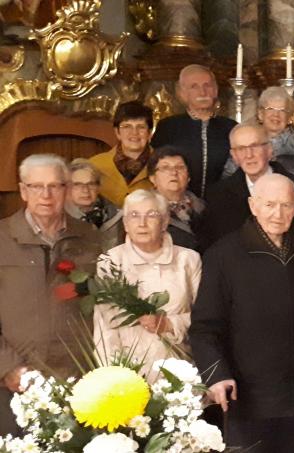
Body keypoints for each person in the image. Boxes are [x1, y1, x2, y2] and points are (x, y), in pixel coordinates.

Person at [191, 174, 294, 453]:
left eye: (286, 206)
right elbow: (204, 328)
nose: (278, 214)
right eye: (270, 205)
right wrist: (216, 375)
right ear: (253, 205)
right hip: (248, 396)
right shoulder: (223, 254)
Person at [0, 154, 101, 434]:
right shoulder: (2, 237)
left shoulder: (90, 237)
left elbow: (102, 303)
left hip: (77, 381)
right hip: (12, 382)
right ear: (22, 191)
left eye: (54, 186)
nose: (46, 195)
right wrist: (8, 367)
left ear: (66, 190)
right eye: (36, 186)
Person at [94, 190, 201, 382]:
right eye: (134, 215)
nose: (142, 223)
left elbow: (205, 318)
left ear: (165, 221)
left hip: (180, 373)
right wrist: (111, 378)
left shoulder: (188, 259)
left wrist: (169, 323)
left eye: (151, 215)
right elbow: (105, 327)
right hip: (129, 376)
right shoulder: (111, 261)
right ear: (125, 223)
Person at [200, 123, 294, 249]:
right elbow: (213, 246)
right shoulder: (217, 196)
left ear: (269, 150)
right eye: (241, 149)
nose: (249, 155)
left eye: (254, 146)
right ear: (234, 156)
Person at [151, 64, 238, 199]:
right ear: (182, 93)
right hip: (177, 206)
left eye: (207, 86)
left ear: (215, 90)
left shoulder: (231, 128)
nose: (202, 92)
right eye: (194, 87)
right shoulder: (168, 127)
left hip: (223, 204)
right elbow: (156, 169)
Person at [89, 101, 155, 206]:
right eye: (127, 126)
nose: (134, 132)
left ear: (150, 133)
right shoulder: (94, 166)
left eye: (141, 127)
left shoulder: (163, 165)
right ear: (117, 132)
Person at [256, 86, 294, 187]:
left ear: (289, 117)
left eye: (282, 110)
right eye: (271, 109)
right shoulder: (246, 144)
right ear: (260, 114)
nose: (276, 115)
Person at [147, 147, 205, 251]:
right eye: (165, 168)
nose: (174, 173)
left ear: (188, 177)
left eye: (180, 167)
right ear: (152, 178)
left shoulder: (203, 207)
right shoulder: (141, 210)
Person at [65, 158, 124, 250]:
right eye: (77, 185)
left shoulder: (116, 217)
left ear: (99, 187)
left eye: (91, 184)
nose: (85, 190)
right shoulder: (58, 217)